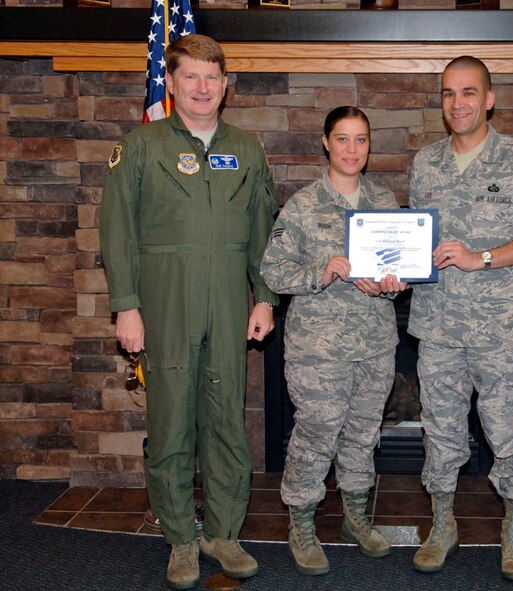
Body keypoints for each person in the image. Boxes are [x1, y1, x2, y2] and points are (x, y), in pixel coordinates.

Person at [99, 35, 279, 590]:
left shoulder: (247, 149)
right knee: (172, 421)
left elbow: (264, 234)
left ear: (226, 84)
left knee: (227, 421)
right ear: (171, 82)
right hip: (165, 302)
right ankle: (180, 537)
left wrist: (266, 297)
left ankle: (223, 533)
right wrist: (126, 307)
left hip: (228, 303)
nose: (203, 88)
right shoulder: (141, 145)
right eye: (191, 77)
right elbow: (117, 232)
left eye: (213, 77)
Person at [408, 56, 513, 580]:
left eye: (468, 92)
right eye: (448, 93)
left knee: (506, 430)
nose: (458, 104)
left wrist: (483, 256)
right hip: (438, 326)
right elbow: (413, 241)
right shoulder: (425, 163)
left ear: (489, 99)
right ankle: (442, 524)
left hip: (499, 329)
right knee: (441, 429)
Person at [260, 106, 406, 576]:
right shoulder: (302, 206)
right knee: (317, 432)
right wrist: (320, 273)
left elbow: (403, 267)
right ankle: (301, 522)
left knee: (363, 433)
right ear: (325, 142)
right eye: (342, 139)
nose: (351, 149)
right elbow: (273, 272)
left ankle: (355, 516)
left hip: (374, 342)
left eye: (360, 140)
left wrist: (395, 281)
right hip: (317, 348)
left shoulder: (385, 203)